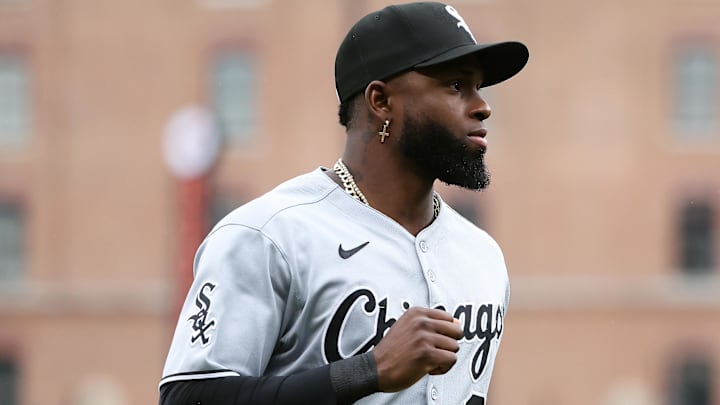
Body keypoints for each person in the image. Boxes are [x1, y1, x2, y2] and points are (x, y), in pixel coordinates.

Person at [158, 2, 528, 404]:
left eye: (479, 87)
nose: (482, 105)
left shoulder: (482, 256)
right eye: (456, 85)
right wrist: (368, 370)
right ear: (381, 101)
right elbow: (186, 397)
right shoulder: (269, 234)